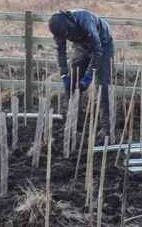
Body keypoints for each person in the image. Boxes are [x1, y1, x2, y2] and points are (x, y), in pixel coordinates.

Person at [48, 8, 114, 140]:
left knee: (102, 86)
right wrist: (64, 74)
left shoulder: (86, 22)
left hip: (102, 45)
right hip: (81, 47)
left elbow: (97, 50)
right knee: (72, 85)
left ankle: (106, 129)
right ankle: (74, 123)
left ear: (68, 27)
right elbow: (61, 51)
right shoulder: (59, 28)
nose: (63, 38)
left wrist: (88, 76)